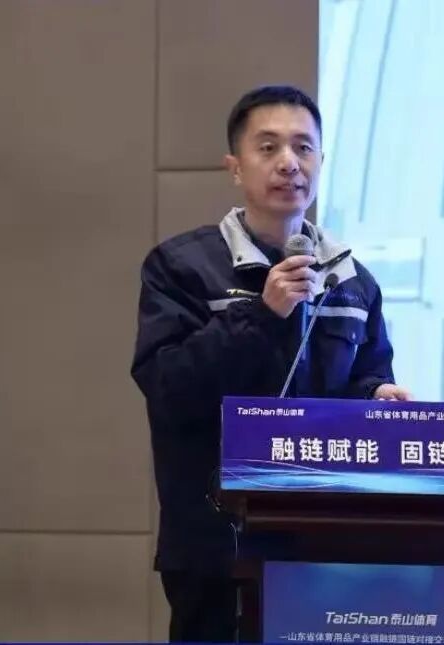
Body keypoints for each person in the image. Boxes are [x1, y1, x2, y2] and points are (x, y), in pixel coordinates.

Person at [130, 85, 411, 643]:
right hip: (216, 545)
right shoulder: (182, 267)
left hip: (326, 541)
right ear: (235, 167)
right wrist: (262, 315)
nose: (289, 163)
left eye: (304, 148)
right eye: (268, 148)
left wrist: (377, 398)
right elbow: (168, 387)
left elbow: (365, 377)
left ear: (321, 161)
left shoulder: (352, 280)